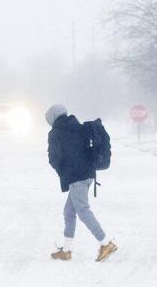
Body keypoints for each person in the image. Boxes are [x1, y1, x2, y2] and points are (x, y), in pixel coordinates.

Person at [46, 104, 117, 262]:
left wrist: (63, 172)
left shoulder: (55, 133)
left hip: (76, 177)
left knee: (83, 210)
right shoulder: (79, 127)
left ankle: (106, 243)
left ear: (51, 118)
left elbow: (54, 158)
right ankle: (66, 250)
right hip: (89, 174)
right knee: (69, 212)